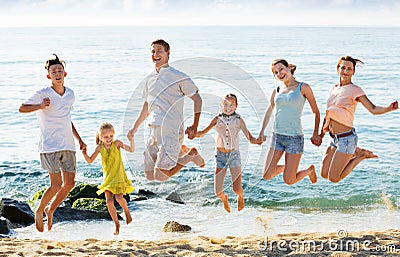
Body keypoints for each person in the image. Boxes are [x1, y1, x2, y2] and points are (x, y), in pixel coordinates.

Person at [19, 54, 86, 232]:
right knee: (56, 185)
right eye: (53, 71)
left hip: (68, 144)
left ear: (65, 73)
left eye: (60, 70)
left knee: (70, 184)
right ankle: (40, 210)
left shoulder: (70, 94)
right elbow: (22, 108)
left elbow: (67, 118)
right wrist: (39, 106)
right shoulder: (43, 93)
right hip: (49, 145)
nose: (57, 73)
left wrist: (79, 139)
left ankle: (51, 209)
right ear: (49, 75)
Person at [127, 39, 205, 182]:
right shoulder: (149, 78)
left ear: (168, 54)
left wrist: (195, 125)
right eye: (153, 51)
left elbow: (198, 99)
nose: (155, 54)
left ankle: (190, 156)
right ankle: (181, 149)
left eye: (159, 51)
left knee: (160, 176)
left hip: (171, 128)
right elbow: (146, 106)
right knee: (149, 175)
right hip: (154, 129)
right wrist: (135, 128)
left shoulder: (178, 76)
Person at [318, 56, 398, 183]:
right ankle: (356, 151)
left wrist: (388, 108)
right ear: (338, 69)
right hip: (333, 138)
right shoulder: (333, 88)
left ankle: (360, 156)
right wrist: (321, 134)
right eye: (343, 67)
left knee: (334, 178)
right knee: (323, 174)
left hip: (346, 139)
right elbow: (328, 114)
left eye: (349, 69)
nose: (345, 71)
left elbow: (373, 108)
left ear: (353, 72)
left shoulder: (355, 90)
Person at [196, 94, 263, 212]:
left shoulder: (239, 120)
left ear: (236, 106)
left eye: (231, 105)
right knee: (218, 192)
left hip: (234, 155)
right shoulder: (216, 119)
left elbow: (250, 138)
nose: (228, 107)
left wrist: (258, 140)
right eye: (226, 104)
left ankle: (240, 197)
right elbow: (203, 132)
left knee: (237, 189)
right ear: (221, 105)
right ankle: (224, 199)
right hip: (220, 156)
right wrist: (194, 133)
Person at [258, 59, 320, 185]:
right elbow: (269, 111)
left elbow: (316, 112)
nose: (279, 73)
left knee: (289, 180)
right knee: (266, 174)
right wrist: (261, 132)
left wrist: (315, 133)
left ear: (289, 67)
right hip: (277, 137)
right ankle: (288, 168)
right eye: (276, 72)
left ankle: (309, 170)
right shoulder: (277, 90)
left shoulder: (303, 87)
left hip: (294, 138)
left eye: (281, 69)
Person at [82, 122, 134, 235]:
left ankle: (126, 211)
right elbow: (90, 161)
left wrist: (131, 139)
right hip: (108, 179)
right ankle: (116, 223)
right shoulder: (100, 148)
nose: (109, 139)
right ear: (100, 137)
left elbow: (131, 149)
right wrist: (84, 153)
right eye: (106, 137)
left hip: (119, 176)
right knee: (109, 202)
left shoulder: (117, 144)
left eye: (111, 136)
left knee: (119, 199)